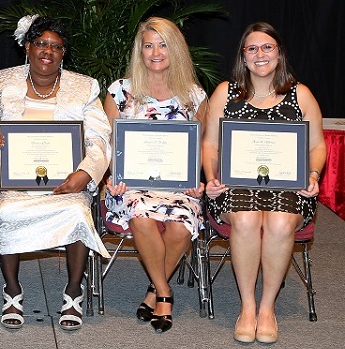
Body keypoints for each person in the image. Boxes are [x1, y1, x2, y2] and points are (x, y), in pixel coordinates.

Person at [0, 15, 111, 331]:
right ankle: (12, 289)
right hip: (17, 180)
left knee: (79, 211)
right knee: (7, 211)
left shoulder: (84, 87)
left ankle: (73, 291)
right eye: (41, 44)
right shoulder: (3, 81)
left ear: (63, 53)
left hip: (67, 182)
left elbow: (100, 138)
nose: (47, 51)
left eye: (56, 46)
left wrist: (85, 174)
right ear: (28, 47)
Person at [202, 22, 325, 344]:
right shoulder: (225, 92)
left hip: (288, 185)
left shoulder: (300, 94)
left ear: (279, 53)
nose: (260, 54)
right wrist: (212, 177)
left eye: (267, 47)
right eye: (252, 48)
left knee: (281, 223)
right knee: (244, 220)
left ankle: (267, 308)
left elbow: (316, 146)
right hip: (234, 185)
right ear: (243, 56)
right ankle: (247, 306)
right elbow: (210, 144)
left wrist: (312, 175)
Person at [102, 17, 207, 334]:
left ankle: (154, 288)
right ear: (140, 51)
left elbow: (201, 145)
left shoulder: (194, 95)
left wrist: (197, 179)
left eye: (163, 44)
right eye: (148, 45)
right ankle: (165, 293)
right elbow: (107, 142)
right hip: (129, 185)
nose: (155, 52)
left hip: (178, 187)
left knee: (180, 226)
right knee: (141, 215)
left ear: (175, 50)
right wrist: (111, 175)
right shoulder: (120, 91)